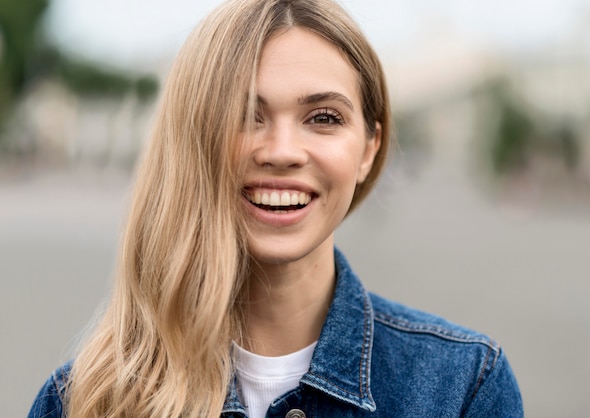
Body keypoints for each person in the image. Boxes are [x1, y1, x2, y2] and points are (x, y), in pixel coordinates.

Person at [29, 0, 523, 417]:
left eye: (323, 118)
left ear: (370, 148)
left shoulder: (462, 389)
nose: (282, 150)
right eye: (246, 114)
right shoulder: (83, 400)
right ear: (192, 138)